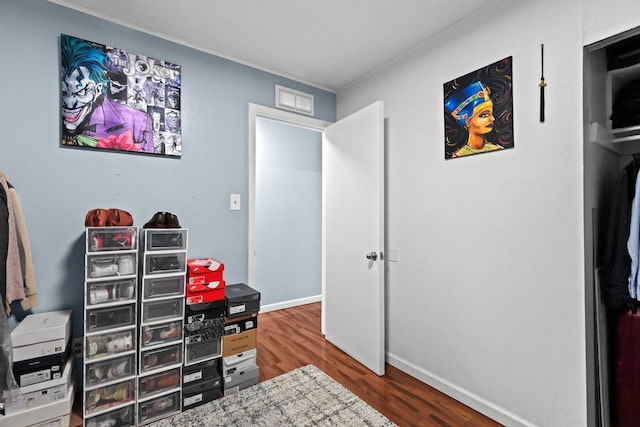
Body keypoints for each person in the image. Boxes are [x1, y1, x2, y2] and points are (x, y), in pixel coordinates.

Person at [60, 35, 154, 153]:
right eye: (64, 92)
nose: (69, 103)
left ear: (98, 89)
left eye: (81, 92)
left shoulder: (138, 121)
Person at [444, 81, 503, 157]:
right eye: (484, 115)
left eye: (491, 114)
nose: (492, 119)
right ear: (467, 121)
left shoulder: (497, 150)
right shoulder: (459, 156)